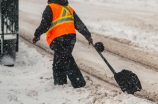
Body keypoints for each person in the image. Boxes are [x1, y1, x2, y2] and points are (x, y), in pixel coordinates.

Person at [33, 0, 93, 88]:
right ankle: (60, 83)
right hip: (70, 38)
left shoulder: (51, 8)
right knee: (60, 60)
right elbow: (79, 24)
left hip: (58, 38)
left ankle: (79, 83)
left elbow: (45, 24)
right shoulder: (69, 8)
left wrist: (37, 34)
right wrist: (87, 35)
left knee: (66, 59)